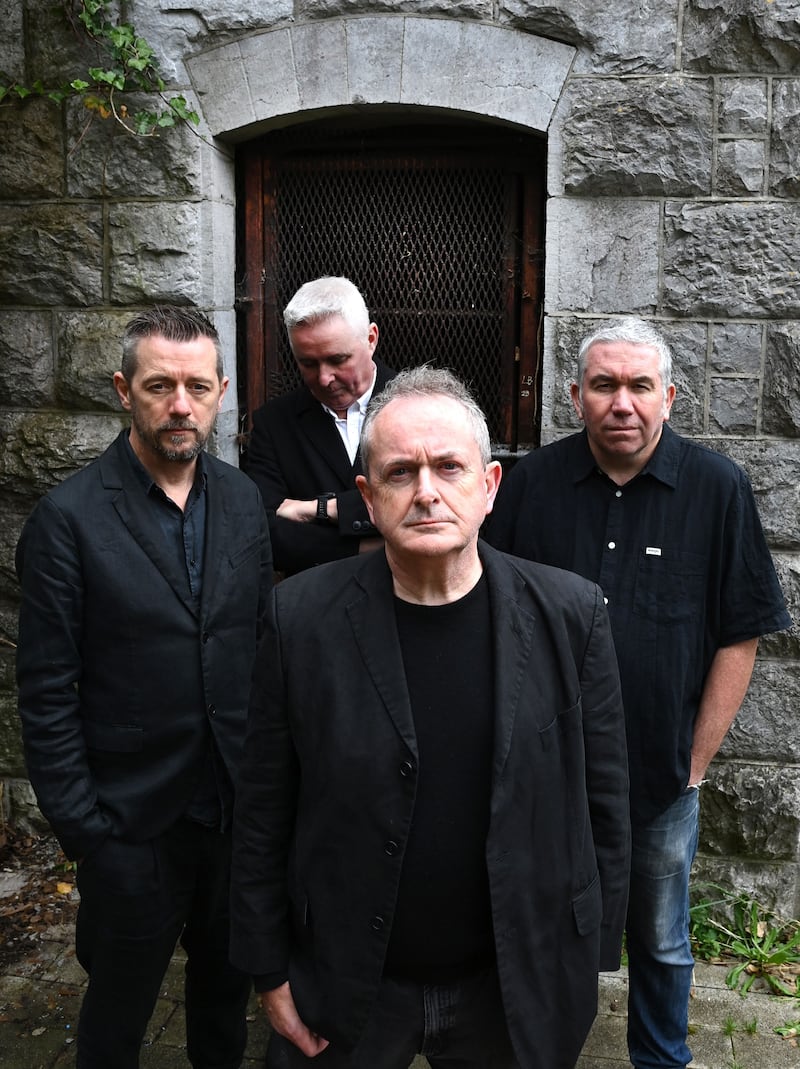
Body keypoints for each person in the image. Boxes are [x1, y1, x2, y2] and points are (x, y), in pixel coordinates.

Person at [230, 366, 631, 1069]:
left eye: (449, 466)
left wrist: (585, 960)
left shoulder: (571, 615)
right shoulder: (299, 619)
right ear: (368, 496)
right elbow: (264, 805)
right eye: (399, 472)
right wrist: (268, 968)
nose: (425, 491)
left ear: (490, 486)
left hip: (511, 987)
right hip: (349, 980)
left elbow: (604, 805)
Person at [487, 317, 792, 1069]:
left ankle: (661, 1058)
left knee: (660, 935)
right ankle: (531, 1048)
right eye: (604, 385)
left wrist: (695, 765)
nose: (621, 402)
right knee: (533, 926)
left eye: (638, 386)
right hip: (545, 773)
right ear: (575, 395)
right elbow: (492, 617)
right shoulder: (531, 485)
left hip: (661, 776)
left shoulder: (716, 488)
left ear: (669, 396)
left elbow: (740, 632)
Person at [15, 306, 273, 1069]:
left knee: (224, 1005)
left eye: (197, 385)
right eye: (161, 385)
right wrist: (88, 834)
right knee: (116, 1019)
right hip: (130, 828)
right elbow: (46, 692)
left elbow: (260, 645)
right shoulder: (67, 520)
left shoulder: (243, 501)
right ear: (125, 390)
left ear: (222, 390)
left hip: (232, 814)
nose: (181, 404)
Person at [246, 276, 395, 575]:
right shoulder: (274, 423)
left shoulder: (419, 404)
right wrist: (368, 547)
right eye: (308, 364)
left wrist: (318, 509)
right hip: (315, 603)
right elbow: (262, 533)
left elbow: (428, 499)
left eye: (338, 360)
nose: (324, 378)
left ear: (371, 339)